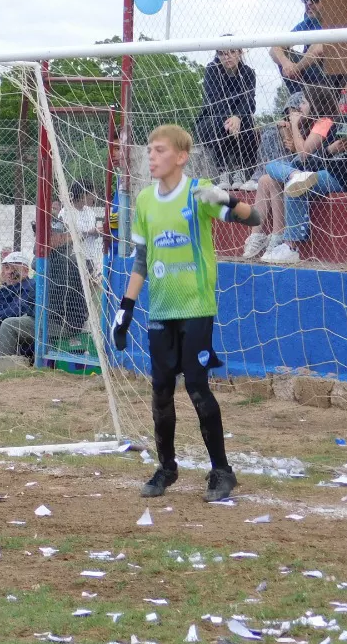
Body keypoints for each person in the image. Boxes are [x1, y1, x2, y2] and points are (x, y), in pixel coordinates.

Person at [111, 124, 262, 503]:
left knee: (196, 387)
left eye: (159, 150)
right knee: (161, 392)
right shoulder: (144, 200)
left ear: (180, 157)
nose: (151, 156)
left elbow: (255, 218)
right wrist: (125, 309)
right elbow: (142, 261)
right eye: (149, 150)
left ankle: (222, 472)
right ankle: (167, 468)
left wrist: (225, 197)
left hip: (196, 306)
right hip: (161, 309)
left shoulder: (199, 193)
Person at [261, 78, 347, 265]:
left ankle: (290, 247)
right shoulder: (345, 118)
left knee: (295, 186)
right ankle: (294, 174)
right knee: (271, 167)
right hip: (329, 168)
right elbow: (323, 154)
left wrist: (342, 152)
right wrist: (332, 149)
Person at [242, 83, 340, 261]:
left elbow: (303, 154)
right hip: (303, 170)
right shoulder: (311, 123)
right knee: (267, 177)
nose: (301, 107)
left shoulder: (324, 122)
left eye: (304, 103)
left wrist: (294, 125)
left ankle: (280, 236)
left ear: (315, 104)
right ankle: (261, 235)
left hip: (316, 171)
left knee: (275, 169)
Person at [0, 223, 88, 359]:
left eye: (47, 234)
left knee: (9, 324)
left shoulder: (65, 261)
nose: (40, 239)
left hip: (62, 322)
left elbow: (50, 303)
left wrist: (31, 309)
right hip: (47, 316)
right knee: (14, 319)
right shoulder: (50, 257)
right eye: (38, 235)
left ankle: (0, 366)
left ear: (61, 237)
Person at [196, 46, 259, 189]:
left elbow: (249, 101)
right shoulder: (212, 70)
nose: (227, 56)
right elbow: (214, 101)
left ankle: (239, 169)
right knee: (219, 121)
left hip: (238, 121)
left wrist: (237, 117)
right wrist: (230, 119)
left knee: (247, 121)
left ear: (240, 53)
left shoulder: (248, 73)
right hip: (211, 121)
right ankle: (222, 171)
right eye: (222, 53)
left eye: (232, 52)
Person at [270, 0, 331, 95]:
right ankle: (299, 100)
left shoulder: (337, 20)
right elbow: (274, 49)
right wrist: (286, 64)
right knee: (281, 54)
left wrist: (297, 68)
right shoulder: (309, 22)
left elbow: (318, 49)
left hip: (331, 77)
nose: (308, 3)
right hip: (310, 73)